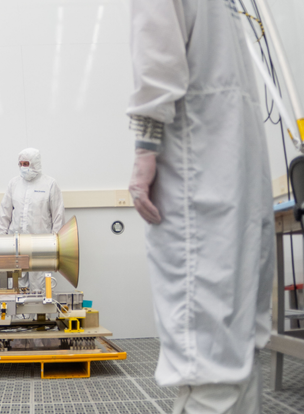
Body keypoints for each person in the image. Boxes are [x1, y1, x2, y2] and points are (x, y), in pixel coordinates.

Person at [126, 1, 274, 412]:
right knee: (238, 345)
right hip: (237, 163)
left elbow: (157, 55)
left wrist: (145, 148)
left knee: (205, 353)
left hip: (196, 163)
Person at [0, 148, 65, 291]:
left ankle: (40, 314)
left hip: (41, 247)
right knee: (16, 288)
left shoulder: (50, 184)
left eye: (26, 163)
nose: (23, 167)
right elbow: (4, 214)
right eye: (20, 164)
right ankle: (20, 315)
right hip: (15, 246)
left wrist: (55, 245)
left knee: (40, 289)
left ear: (35, 163)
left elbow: (58, 216)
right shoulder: (14, 184)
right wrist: (1, 241)